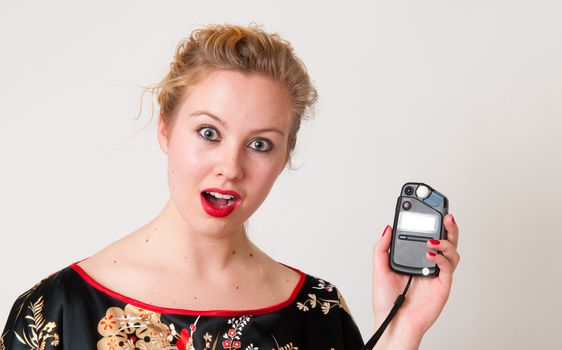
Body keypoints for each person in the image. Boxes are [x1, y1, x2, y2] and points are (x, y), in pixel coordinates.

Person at [1, 24, 460, 349]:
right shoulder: (56, 311)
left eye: (260, 144)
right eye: (208, 133)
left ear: (285, 157)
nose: (231, 167)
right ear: (165, 128)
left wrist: (401, 332)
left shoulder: (319, 313)